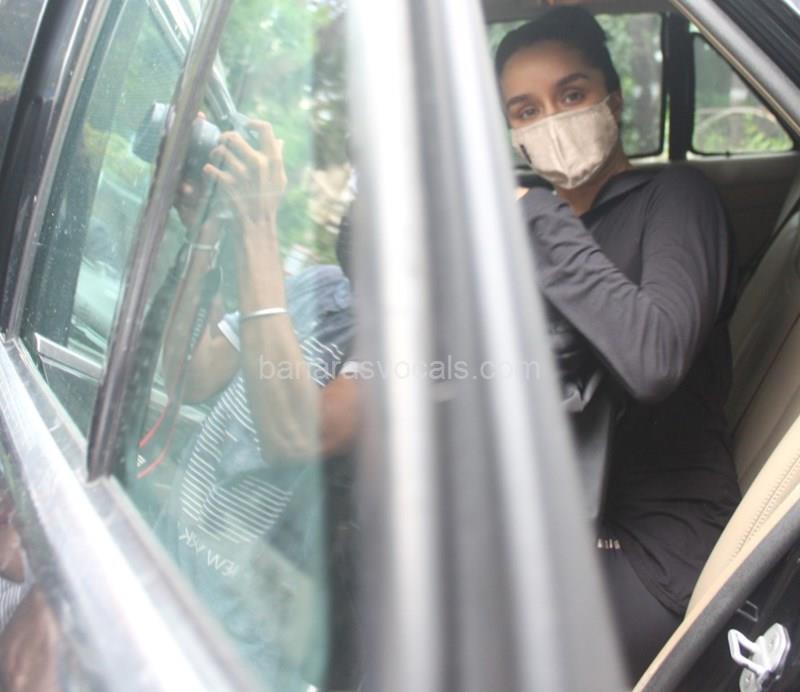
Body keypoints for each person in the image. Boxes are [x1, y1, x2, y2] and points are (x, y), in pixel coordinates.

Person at [495, 7, 740, 682]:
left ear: (614, 97)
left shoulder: (676, 198)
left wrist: (534, 212)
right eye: (526, 110)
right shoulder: (524, 240)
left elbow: (653, 359)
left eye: (571, 94)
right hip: (560, 517)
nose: (551, 120)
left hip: (654, 536)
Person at [151, 118, 361, 689]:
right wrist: (205, 237)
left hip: (235, 653)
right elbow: (190, 375)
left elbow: (296, 434)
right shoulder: (316, 285)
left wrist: (258, 222)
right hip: (163, 571)